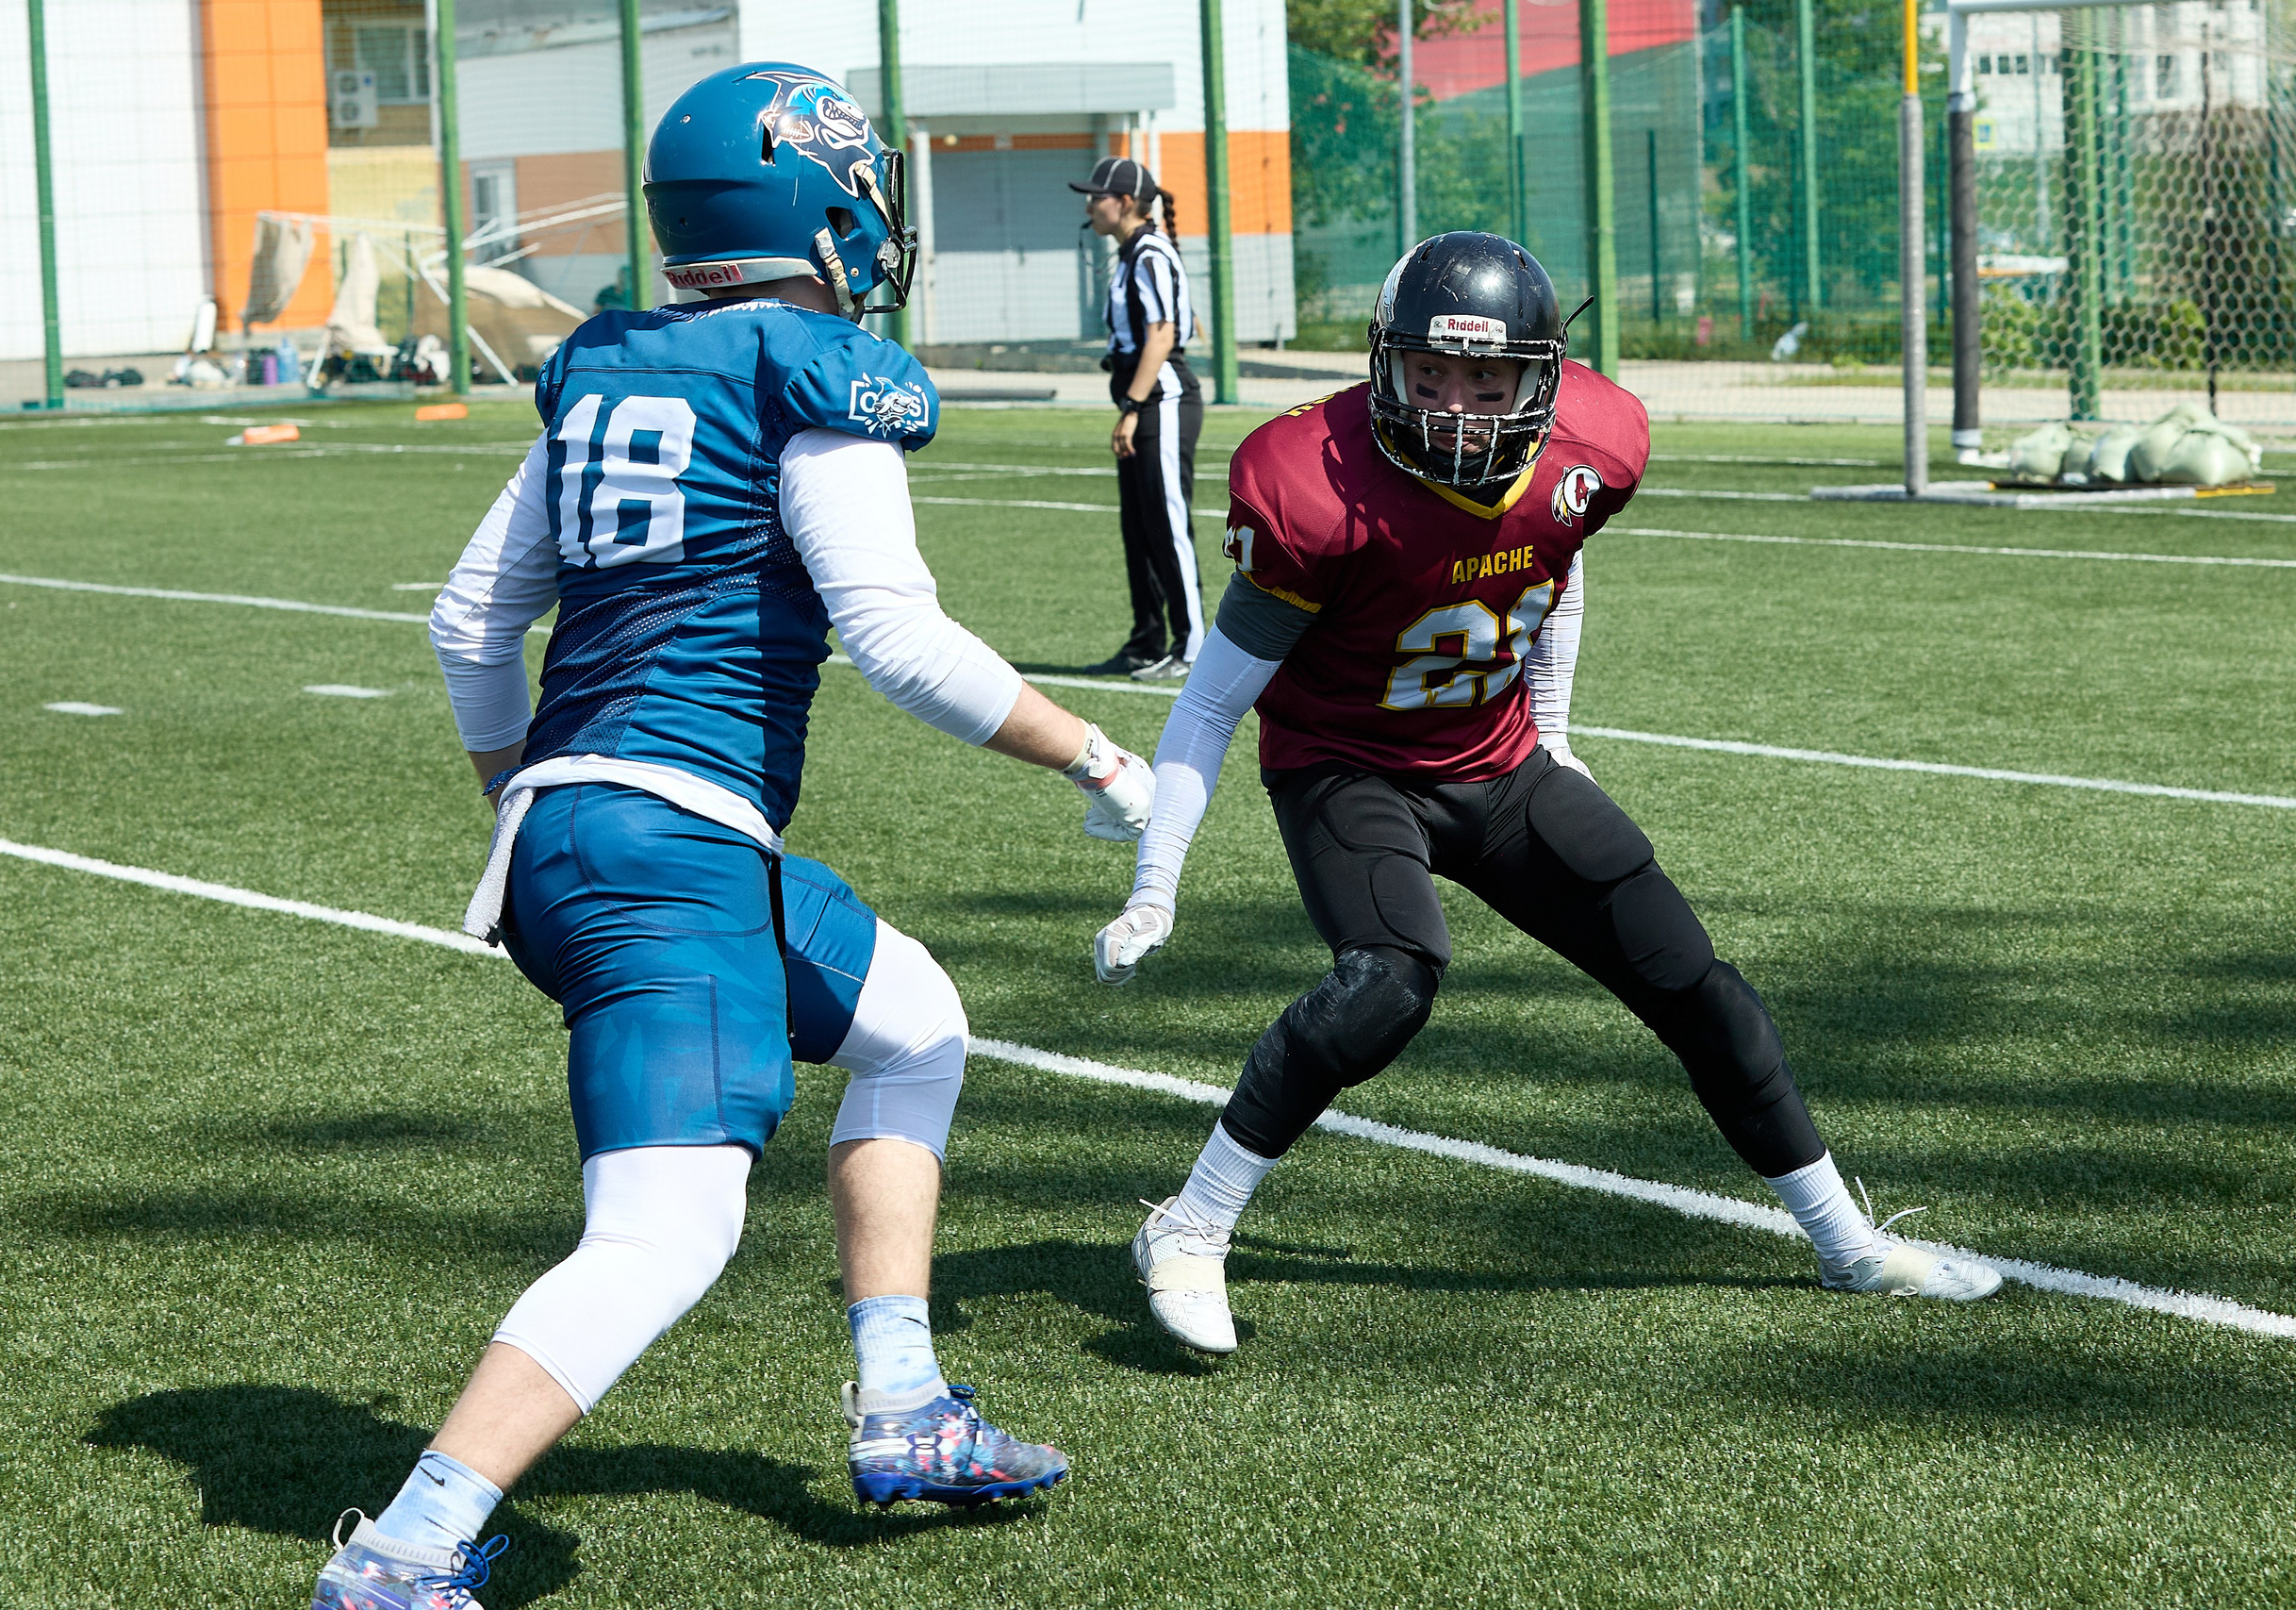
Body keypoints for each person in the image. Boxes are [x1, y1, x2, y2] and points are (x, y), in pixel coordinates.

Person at [312, 63, 1155, 1609]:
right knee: (666, 1232)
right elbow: (897, 639)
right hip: (670, 841)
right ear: (822, 202)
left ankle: (905, 1402)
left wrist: (527, 799)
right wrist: (1099, 755)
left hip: (590, 829)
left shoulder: (608, 364)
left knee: (916, 1025)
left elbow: (467, 622)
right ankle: (406, 1549)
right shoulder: (809, 369)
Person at [1090, 232, 2003, 1358]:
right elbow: (1211, 705)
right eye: (1430, 376)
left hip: (1497, 759)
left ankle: (1845, 1243)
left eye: (1487, 384)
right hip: (1347, 764)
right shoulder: (1312, 484)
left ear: (1540, 378)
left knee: (1693, 981)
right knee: (1388, 982)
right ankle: (1189, 1226)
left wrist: (1554, 734)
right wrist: (1156, 882)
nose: (1456, 411)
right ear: (1383, 362)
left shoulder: (1590, 443)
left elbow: (1551, 559)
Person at [1072, 155, 1205, 683]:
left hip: (1163, 402)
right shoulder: (1134, 253)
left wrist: (1131, 408)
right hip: (1145, 401)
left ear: (1125, 202)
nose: (1089, 206)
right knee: (1140, 528)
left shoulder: (1150, 252)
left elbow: (1163, 335)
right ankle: (1146, 642)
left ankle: (1192, 646)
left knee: (1168, 525)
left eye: (1096, 196)